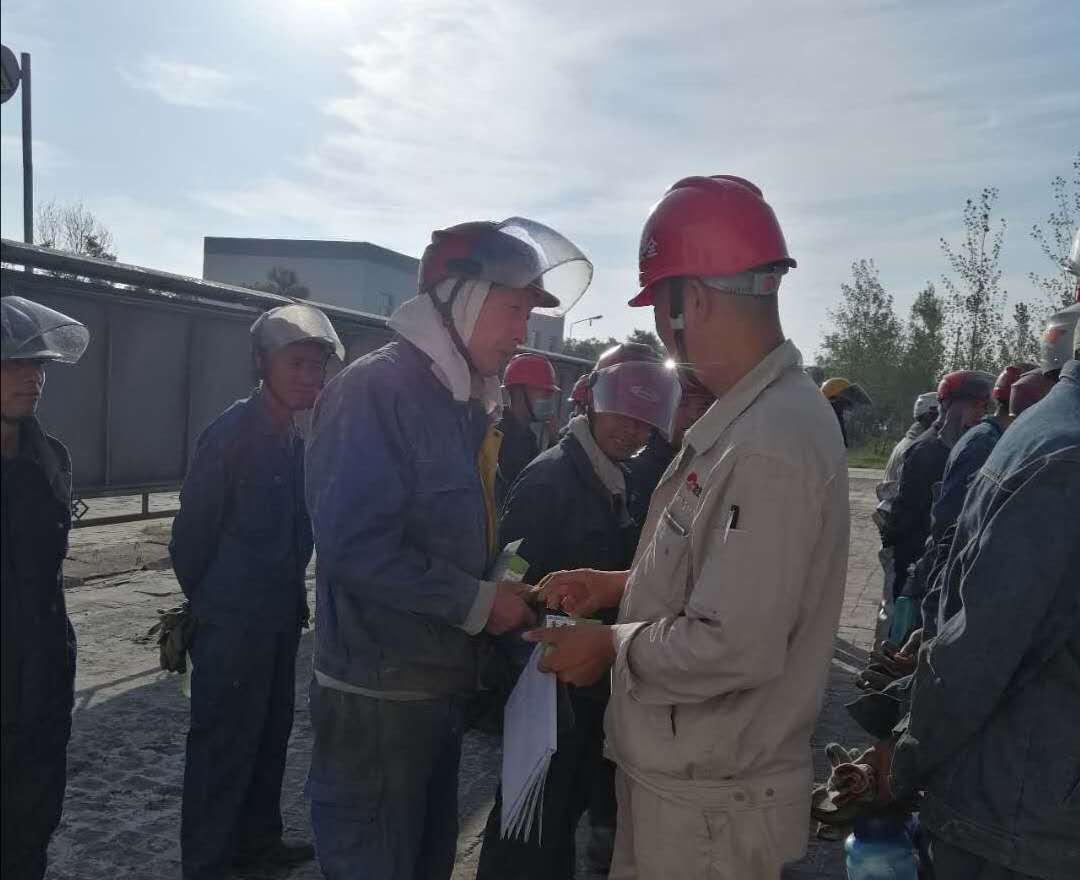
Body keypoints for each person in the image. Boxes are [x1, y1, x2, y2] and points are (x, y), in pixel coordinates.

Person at [530, 175, 850, 878]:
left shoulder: (768, 441)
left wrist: (611, 645)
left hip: (710, 808)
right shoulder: (748, 419)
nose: (659, 327)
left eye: (658, 306)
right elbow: (716, 575)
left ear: (692, 301)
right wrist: (616, 585)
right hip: (693, 787)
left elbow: (732, 643)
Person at [303, 217, 592, 879]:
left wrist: (498, 589)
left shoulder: (459, 400)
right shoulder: (375, 390)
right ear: (459, 297)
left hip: (432, 695)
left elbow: (448, 536)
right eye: (513, 310)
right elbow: (355, 547)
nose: (521, 333)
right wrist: (478, 603)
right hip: (376, 703)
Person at [866, 314, 1080, 880]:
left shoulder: (1046, 432)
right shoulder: (1066, 457)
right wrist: (905, 757)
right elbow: (978, 650)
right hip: (1018, 823)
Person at [476, 343, 680, 880]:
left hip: (585, 690)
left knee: (559, 820)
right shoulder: (552, 480)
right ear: (590, 399)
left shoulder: (616, 478)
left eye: (644, 418)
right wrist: (529, 662)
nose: (632, 430)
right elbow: (508, 576)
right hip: (545, 688)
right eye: (622, 413)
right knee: (526, 826)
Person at [170, 304, 343, 879]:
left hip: (278, 619)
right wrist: (217, 605)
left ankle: (257, 842)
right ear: (262, 365)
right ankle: (209, 861)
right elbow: (190, 539)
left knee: (269, 735)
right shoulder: (231, 435)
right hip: (233, 624)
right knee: (223, 743)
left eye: (317, 366)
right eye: (297, 364)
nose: (309, 377)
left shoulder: (293, 437)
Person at [1, 297, 89, 880]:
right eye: (13, 363)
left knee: (31, 828)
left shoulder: (50, 459)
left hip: (41, 683)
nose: (31, 376)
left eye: (38, 364)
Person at [879, 369, 994, 602]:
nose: (980, 414)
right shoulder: (929, 449)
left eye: (983, 407)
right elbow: (910, 513)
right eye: (975, 406)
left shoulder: (958, 445)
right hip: (916, 560)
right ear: (952, 405)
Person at [624, 368, 713, 533]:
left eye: (705, 405)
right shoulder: (631, 473)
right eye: (682, 402)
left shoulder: (716, 470)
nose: (693, 415)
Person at [872, 391, 937, 615]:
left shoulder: (908, 442)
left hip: (893, 525)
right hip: (901, 531)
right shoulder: (918, 447)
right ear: (929, 415)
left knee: (891, 595)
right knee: (897, 602)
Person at [496, 352, 560, 507]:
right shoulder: (500, 436)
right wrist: (554, 442)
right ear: (519, 391)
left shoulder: (526, 435)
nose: (548, 400)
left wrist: (553, 440)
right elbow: (534, 487)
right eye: (544, 393)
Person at [820, 377, 872, 447]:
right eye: (845, 403)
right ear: (833, 400)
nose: (847, 407)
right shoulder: (826, 425)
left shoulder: (835, 419)